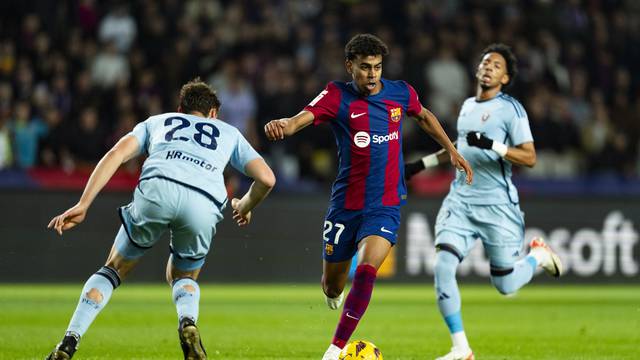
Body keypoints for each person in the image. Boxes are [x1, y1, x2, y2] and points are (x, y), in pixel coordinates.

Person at [264, 33, 473, 360]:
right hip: (345, 206)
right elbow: (297, 122)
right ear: (350, 66)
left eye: (377, 67)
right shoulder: (336, 96)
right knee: (332, 286)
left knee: (367, 269)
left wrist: (451, 150)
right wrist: (283, 124)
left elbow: (425, 116)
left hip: (384, 205)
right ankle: (333, 293)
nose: (372, 74)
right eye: (364, 67)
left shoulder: (400, 93)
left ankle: (334, 349)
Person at [46, 78, 275, 360]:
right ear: (214, 113)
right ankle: (188, 322)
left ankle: (69, 343)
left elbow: (116, 153)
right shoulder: (229, 132)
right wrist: (244, 204)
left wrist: (84, 203)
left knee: (114, 268)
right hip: (203, 200)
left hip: (157, 188)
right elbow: (267, 178)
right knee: (183, 276)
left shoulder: (158, 122)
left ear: (180, 109)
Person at [405, 43, 563, 360]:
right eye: (485, 62)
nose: (489, 67)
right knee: (443, 266)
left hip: (497, 206)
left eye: (497, 66)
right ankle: (461, 348)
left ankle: (538, 258)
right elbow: (457, 150)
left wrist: (494, 146)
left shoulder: (512, 110)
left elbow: (529, 157)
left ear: (504, 78)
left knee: (504, 285)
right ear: (478, 70)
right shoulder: (466, 106)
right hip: (461, 200)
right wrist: (418, 166)